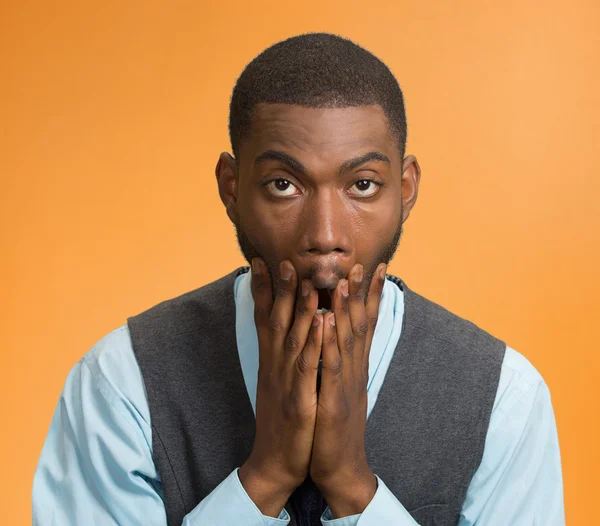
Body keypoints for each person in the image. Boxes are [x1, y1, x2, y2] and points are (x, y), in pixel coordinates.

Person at [33, 32, 565, 525]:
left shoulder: (503, 398)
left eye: (362, 184)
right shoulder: (121, 383)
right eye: (284, 185)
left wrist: (354, 487)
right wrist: (264, 478)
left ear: (404, 190)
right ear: (231, 187)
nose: (325, 234)